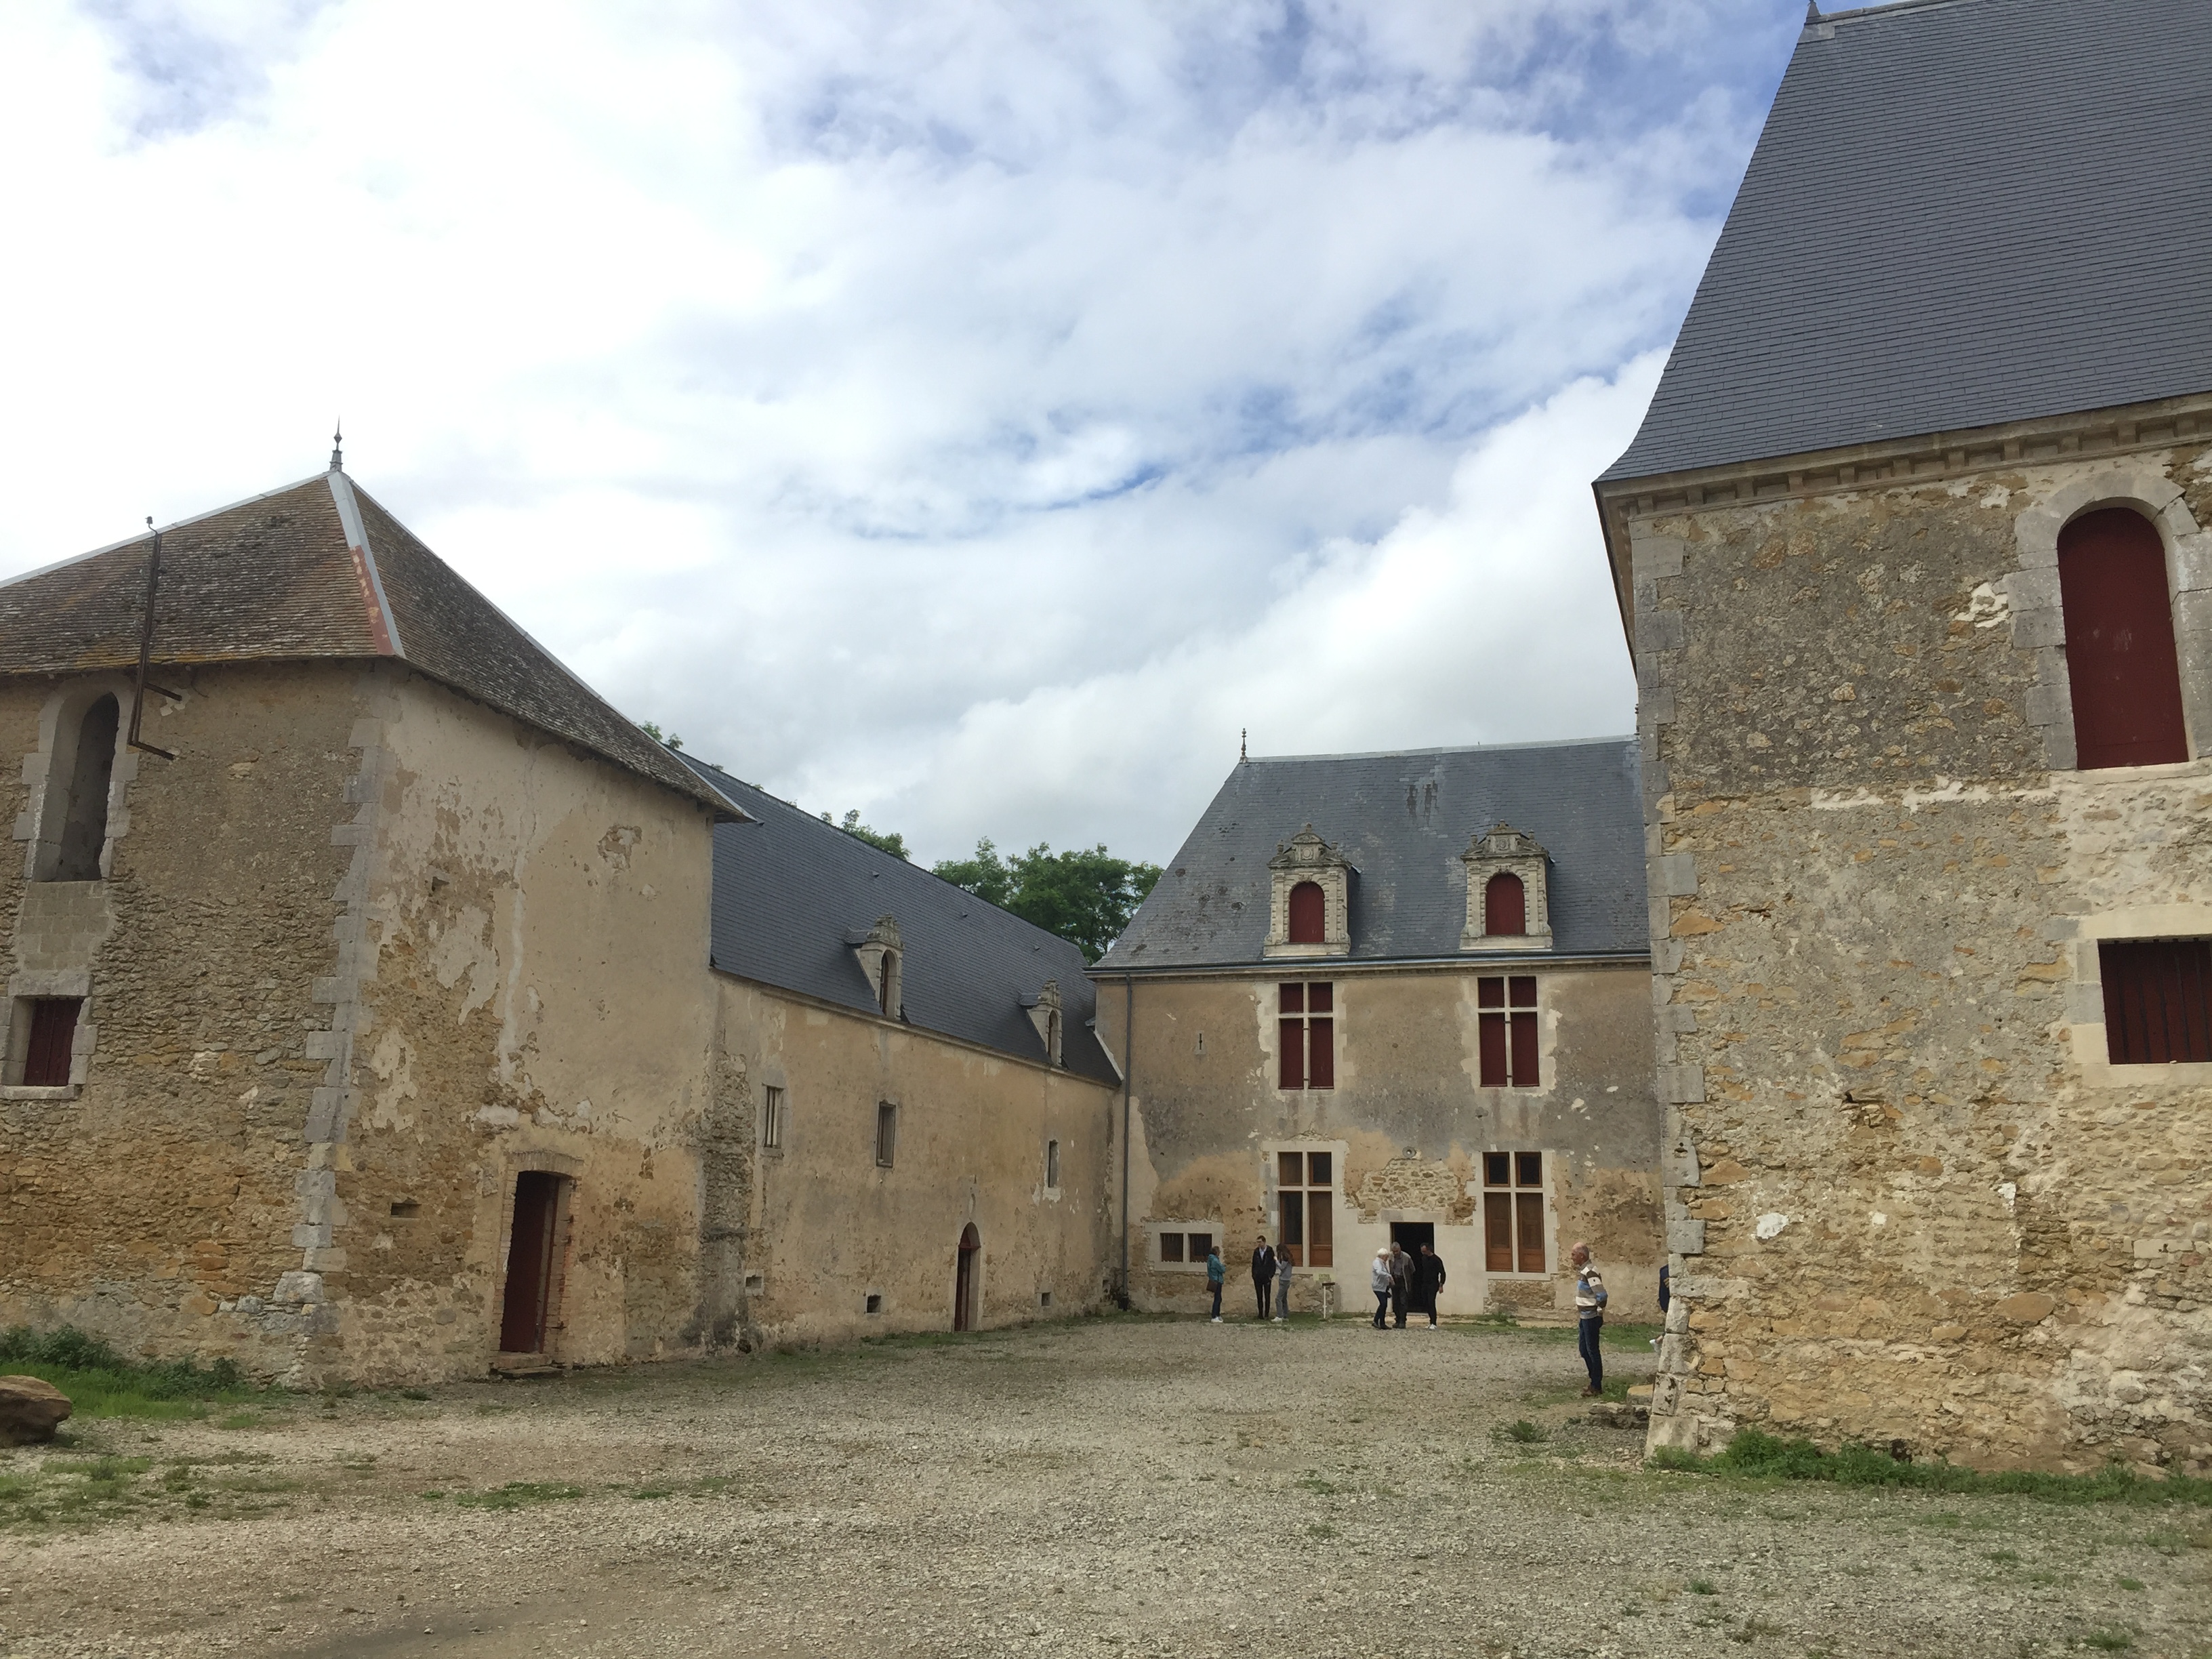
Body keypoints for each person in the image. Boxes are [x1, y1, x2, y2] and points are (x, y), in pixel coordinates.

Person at [1571, 1241, 1607, 1395]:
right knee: (1584, 1350)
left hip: (1591, 1317)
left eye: (1573, 1254)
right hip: (1584, 1316)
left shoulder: (1590, 1271)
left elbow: (1602, 1294)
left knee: (1592, 1350)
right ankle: (1593, 1380)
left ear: (1581, 1256)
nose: (1571, 1257)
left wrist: (1599, 1313)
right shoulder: (1584, 1271)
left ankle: (1596, 1385)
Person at [1411, 1242, 1446, 1329]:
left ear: (1429, 1250)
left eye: (1424, 1251)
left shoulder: (1436, 1260)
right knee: (1426, 1302)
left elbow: (1442, 1273)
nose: (1423, 1253)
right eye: (1422, 1251)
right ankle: (1430, 1322)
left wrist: (1441, 1285)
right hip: (1425, 1283)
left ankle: (1434, 1323)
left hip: (1433, 1284)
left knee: (1431, 1302)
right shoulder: (1424, 1259)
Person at [1387, 1239, 1412, 1329]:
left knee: (1403, 1302)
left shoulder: (1406, 1257)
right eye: (1394, 1251)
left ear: (1400, 1249)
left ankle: (1402, 1321)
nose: (1395, 1253)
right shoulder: (1390, 1257)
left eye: (1397, 1251)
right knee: (1395, 1302)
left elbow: (1412, 1270)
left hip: (1403, 1281)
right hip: (1394, 1281)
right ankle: (1397, 1320)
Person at [1250, 1237, 1277, 1320]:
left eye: (1260, 1242)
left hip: (1266, 1277)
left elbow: (1273, 1264)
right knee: (1259, 1296)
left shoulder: (1269, 1251)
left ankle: (1267, 1314)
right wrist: (1254, 1275)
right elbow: (1254, 1264)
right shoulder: (1257, 1251)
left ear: (1264, 1242)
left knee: (1267, 1295)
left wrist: (1270, 1275)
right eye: (1258, 1242)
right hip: (1258, 1277)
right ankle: (1260, 1314)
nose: (1259, 1244)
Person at [1368, 1248, 1392, 1329]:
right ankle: (1376, 1320)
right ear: (1383, 1256)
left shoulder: (1382, 1263)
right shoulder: (1377, 1262)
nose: (1387, 1258)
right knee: (1383, 1303)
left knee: (1384, 1304)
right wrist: (1389, 1276)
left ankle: (1382, 1323)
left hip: (1383, 1287)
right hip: (1378, 1287)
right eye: (1386, 1257)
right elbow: (1379, 1272)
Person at [1205, 1244, 1225, 1322]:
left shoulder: (1210, 1260)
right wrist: (1223, 1267)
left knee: (1218, 1298)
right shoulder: (1215, 1260)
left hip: (1213, 1279)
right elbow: (1222, 1269)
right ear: (1216, 1252)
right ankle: (1215, 1316)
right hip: (1217, 1280)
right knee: (1218, 1298)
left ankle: (1217, 1315)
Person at [1273, 1248, 1294, 1322]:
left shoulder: (1285, 1259)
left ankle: (1279, 1316)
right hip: (1287, 1280)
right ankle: (1285, 1315)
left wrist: (1276, 1260)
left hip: (1284, 1280)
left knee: (1278, 1298)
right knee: (1284, 1299)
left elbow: (1282, 1267)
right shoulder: (1289, 1259)